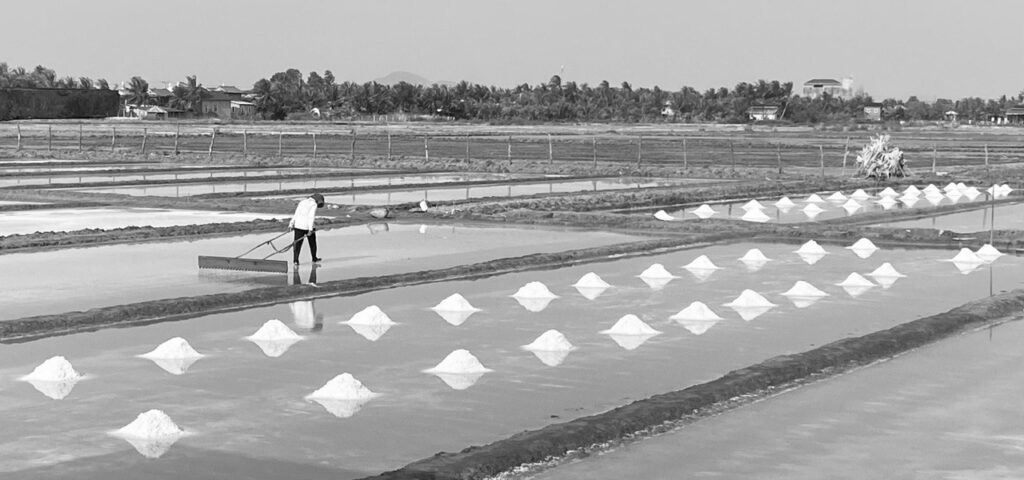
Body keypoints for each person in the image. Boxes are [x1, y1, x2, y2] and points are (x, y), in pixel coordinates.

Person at [289, 193, 324, 265]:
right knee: (312, 243)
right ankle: (314, 258)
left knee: (297, 244)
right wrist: (310, 229)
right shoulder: (313, 204)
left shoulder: (302, 202)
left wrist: (291, 224)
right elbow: (311, 217)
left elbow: (296, 214)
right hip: (307, 227)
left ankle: (295, 261)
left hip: (298, 226)